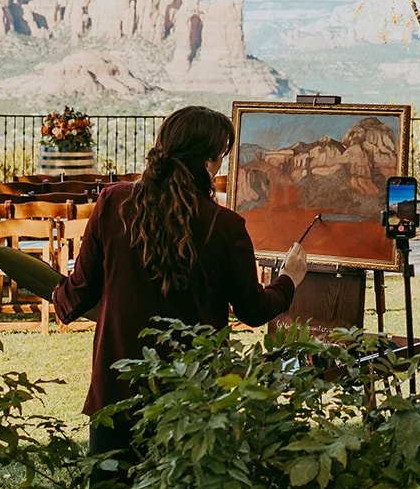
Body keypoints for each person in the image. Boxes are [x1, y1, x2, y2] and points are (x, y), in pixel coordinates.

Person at [53, 104, 309, 454]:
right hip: (191, 393)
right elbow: (252, 309)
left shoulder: (113, 202)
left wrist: (56, 298)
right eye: (222, 157)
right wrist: (289, 280)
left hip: (116, 389)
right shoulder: (225, 226)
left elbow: (79, 291)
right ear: (208, 162)